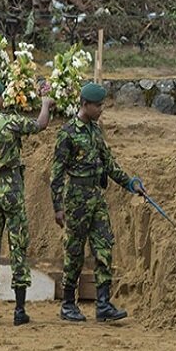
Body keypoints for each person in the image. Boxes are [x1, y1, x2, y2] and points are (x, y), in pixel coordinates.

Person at [50, 83, 144, 323]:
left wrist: (130, 184)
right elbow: (57, 173)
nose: (102, 109)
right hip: (76, 200)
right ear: (85, 105)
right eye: (98, 105)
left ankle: (103, 304)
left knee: (104, 248)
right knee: (74, 252)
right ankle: (68, 303)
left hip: (96, 198)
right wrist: (58, 207)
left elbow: (109, 164)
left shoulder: (95, 130)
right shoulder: (68, 133)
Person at [0, 76, 55, 326]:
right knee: (18, 248)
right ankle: (19, 311)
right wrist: (46, 104)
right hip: (13, 192)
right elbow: (40, 125)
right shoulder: (10, 122)